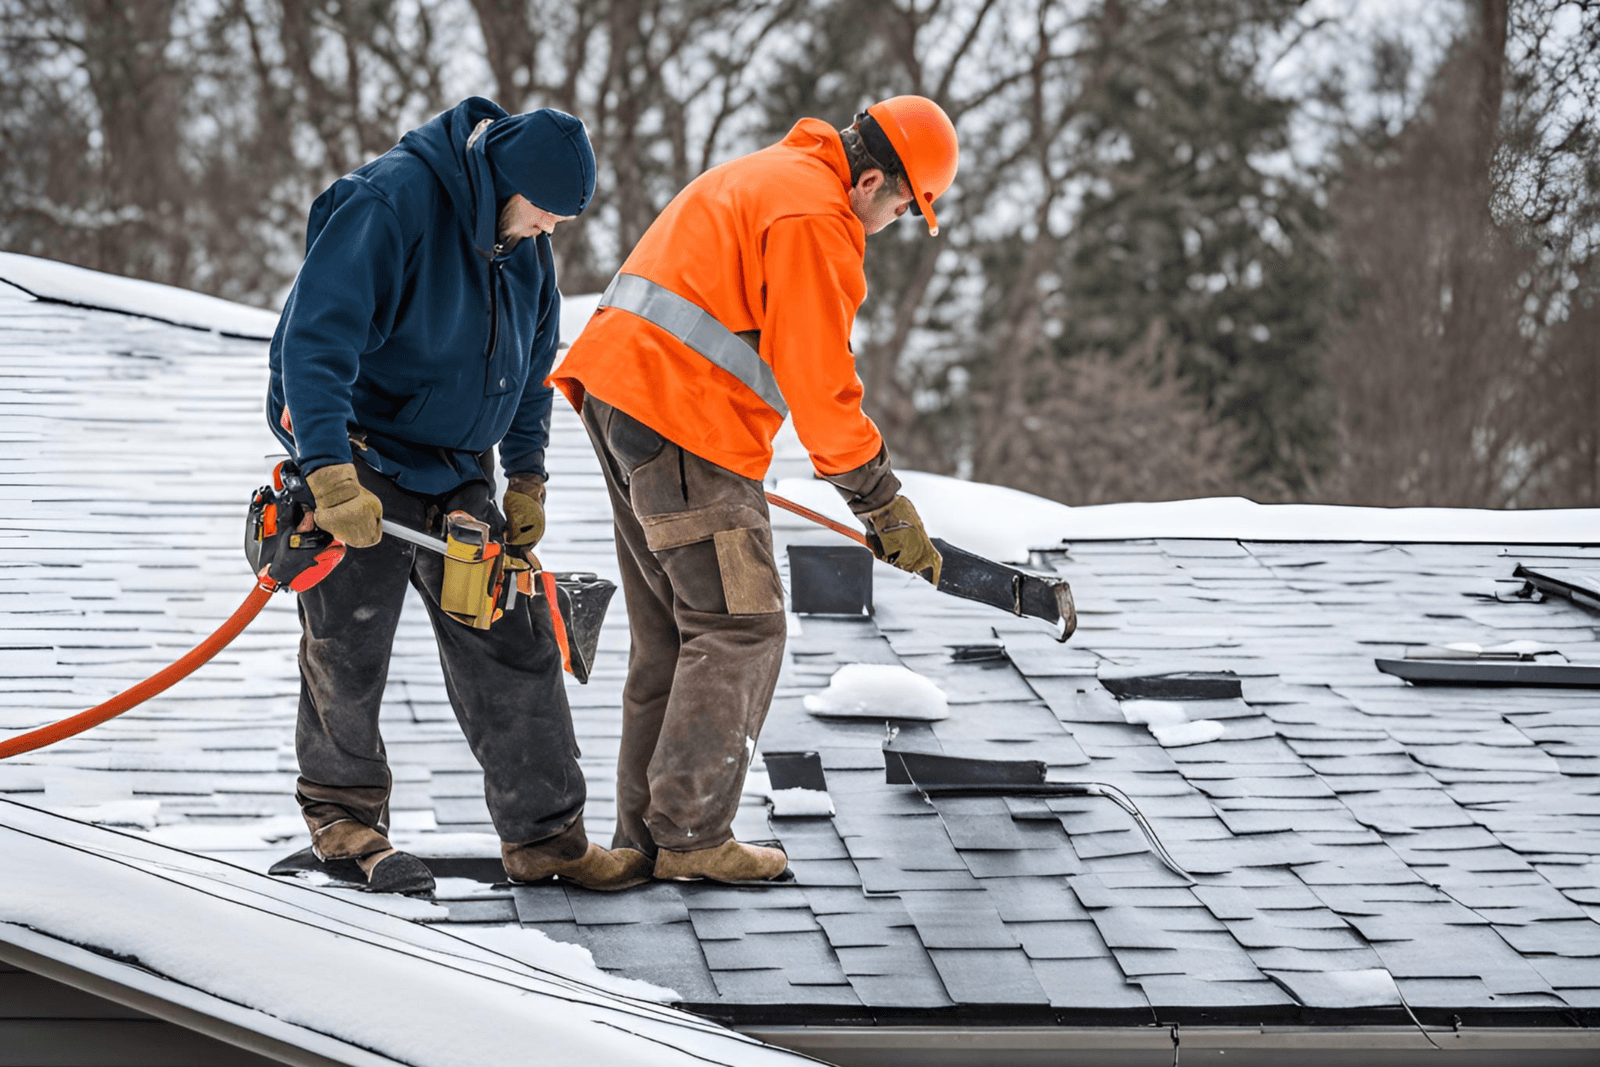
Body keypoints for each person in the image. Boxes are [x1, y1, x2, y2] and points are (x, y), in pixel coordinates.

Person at [551, 96, 958, 883]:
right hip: (685, 420)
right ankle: (692, 832)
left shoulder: (770, 175)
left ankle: (645, 836)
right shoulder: (815, 217)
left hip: (625, 401)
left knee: (675, 631)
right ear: (871, 181)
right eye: (905, 206)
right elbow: (822, 386)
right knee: (742, 623)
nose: (896, 221)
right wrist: (879, 499)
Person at [265, 97, 652, 894]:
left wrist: (528, 475)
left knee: (513, 638)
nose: (550, 228)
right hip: (361, 454)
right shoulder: (390, 202)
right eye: (544, 210)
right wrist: (329, 473)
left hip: (456, 464)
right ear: (503, 179)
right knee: (348, 641)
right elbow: (315, 341)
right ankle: (343, 820)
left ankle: (546, 836)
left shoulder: (524, 246)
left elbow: (533, 365)